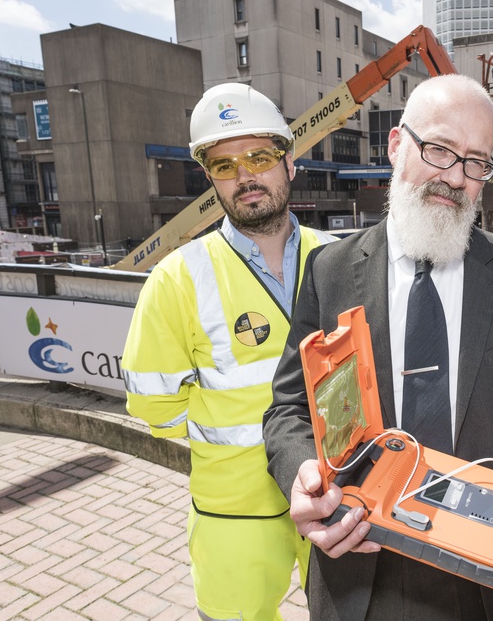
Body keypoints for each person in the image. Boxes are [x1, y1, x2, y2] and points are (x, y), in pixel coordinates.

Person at [263, 73, 493, 620]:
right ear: (395, 145)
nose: (454, 177)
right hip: (361, 561)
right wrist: (304, 475)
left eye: (476, 162)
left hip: (488, 579)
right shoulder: (330, 269)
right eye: (438, 150)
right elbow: (290, 408)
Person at [122, 83, 335, 620]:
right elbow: (154, 406)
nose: (244, 176)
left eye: (259, 157)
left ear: (289, 163)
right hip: (235, 513)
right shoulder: (175, 280)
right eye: (223, 165)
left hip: (337, 496)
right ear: (209, 177)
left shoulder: (337, 259)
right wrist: (229, 450)